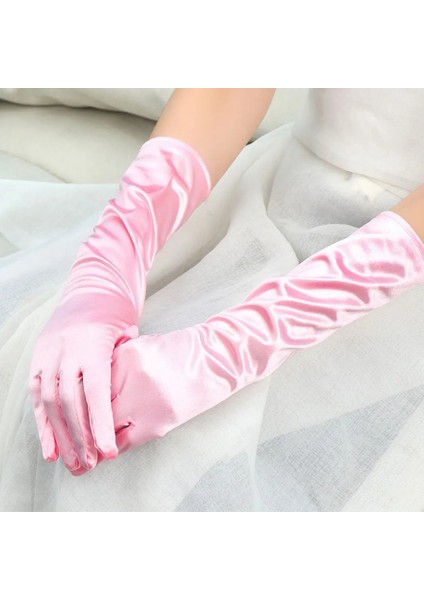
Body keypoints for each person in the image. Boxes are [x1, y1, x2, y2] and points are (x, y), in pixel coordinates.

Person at [2, 88, 424, 510]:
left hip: (408, 258)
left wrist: (233, 348)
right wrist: (111, 256)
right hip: (288, 187)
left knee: (184, 459)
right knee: (59, 385)